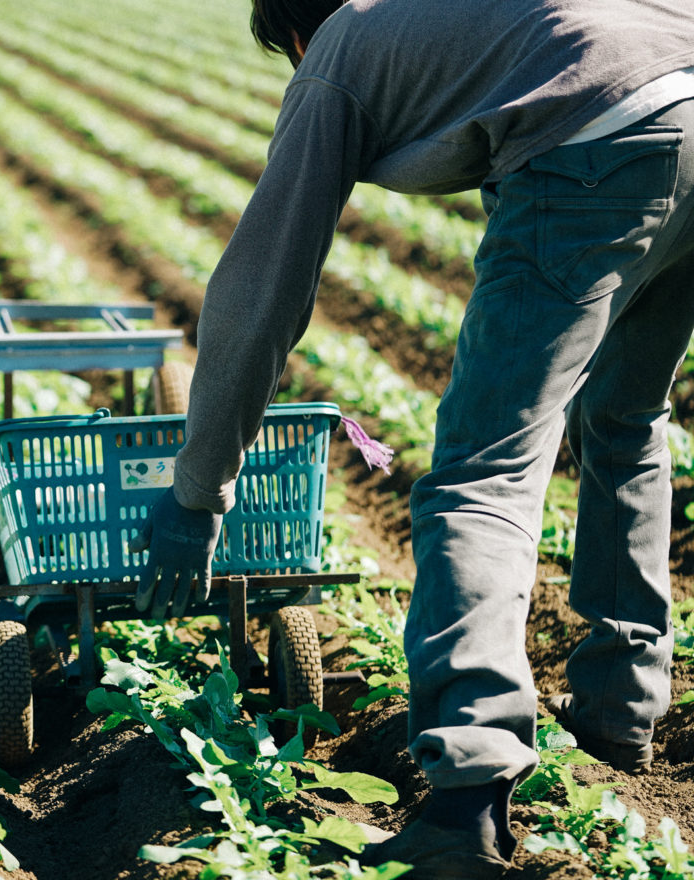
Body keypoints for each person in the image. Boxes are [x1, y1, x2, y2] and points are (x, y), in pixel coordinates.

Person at [127, 0, 694, 875]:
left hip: (601, 139)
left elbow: (261, 288)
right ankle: (622, 718)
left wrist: (198, 490)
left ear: (297, 33)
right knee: (626, 420)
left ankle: (467, 801)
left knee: (483, 475)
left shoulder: (344, 45)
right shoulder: (466, 19)